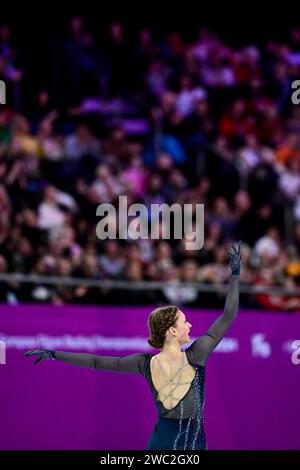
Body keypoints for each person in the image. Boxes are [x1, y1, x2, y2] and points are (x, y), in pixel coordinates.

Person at [24, 241, 242, 450]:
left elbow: (229, 315)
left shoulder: (165, 359)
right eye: (184, 321)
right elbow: (96, 361)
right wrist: (54, 354)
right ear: (172, 331)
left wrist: (235, 275)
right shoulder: (192, 355)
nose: (190, 325)